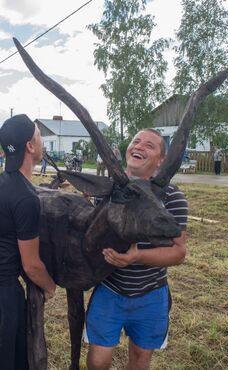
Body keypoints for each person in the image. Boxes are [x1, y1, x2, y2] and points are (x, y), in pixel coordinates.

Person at [85, 128, 188, 370]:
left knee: (141, 359)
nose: (139, 146)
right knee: (98, 362)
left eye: (149, 145)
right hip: (109, 290)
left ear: (161, 160)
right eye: (136, 141)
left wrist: (137, 257)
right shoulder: (107, 192)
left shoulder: (173, 197)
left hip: (150, 294)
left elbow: (178, 252)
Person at [0, 114, 57, 370]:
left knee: (15, 357)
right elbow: (31, 266)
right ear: (30, 146)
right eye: (39, 136)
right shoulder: (25, 197)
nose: (42, 141)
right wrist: (51, 287)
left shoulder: (2, 182)